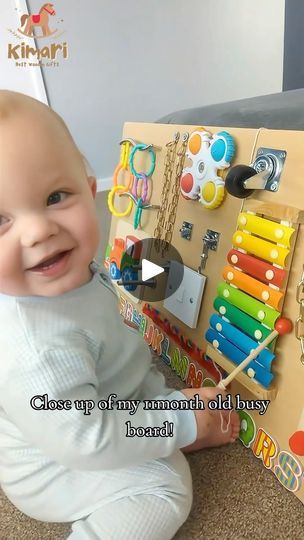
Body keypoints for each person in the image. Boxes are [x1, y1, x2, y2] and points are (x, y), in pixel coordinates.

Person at [0, 90, 240, 539]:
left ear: (91, 190)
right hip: (59, 463)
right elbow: (86, 439)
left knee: (164, 400)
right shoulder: (34, 348)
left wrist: (173, 413)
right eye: (0, 221)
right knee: (163, 489)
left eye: (56, 196)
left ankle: (172, 423)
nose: (38, 231)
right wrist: (181, 423)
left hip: (108, 399)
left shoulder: (63, 270)